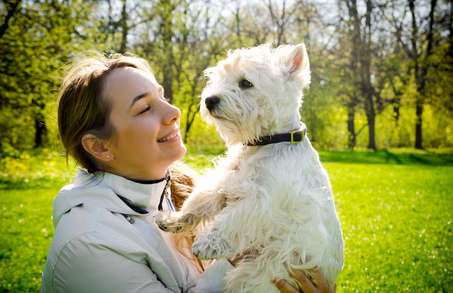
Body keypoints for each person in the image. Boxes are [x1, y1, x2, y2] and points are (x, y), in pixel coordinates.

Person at [41, 53, 335, 293]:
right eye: (144, 108)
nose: (174, 112)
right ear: (99, 147)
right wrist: (241, 260)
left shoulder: (181, 190)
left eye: (163, 96)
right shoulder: (89, 244)